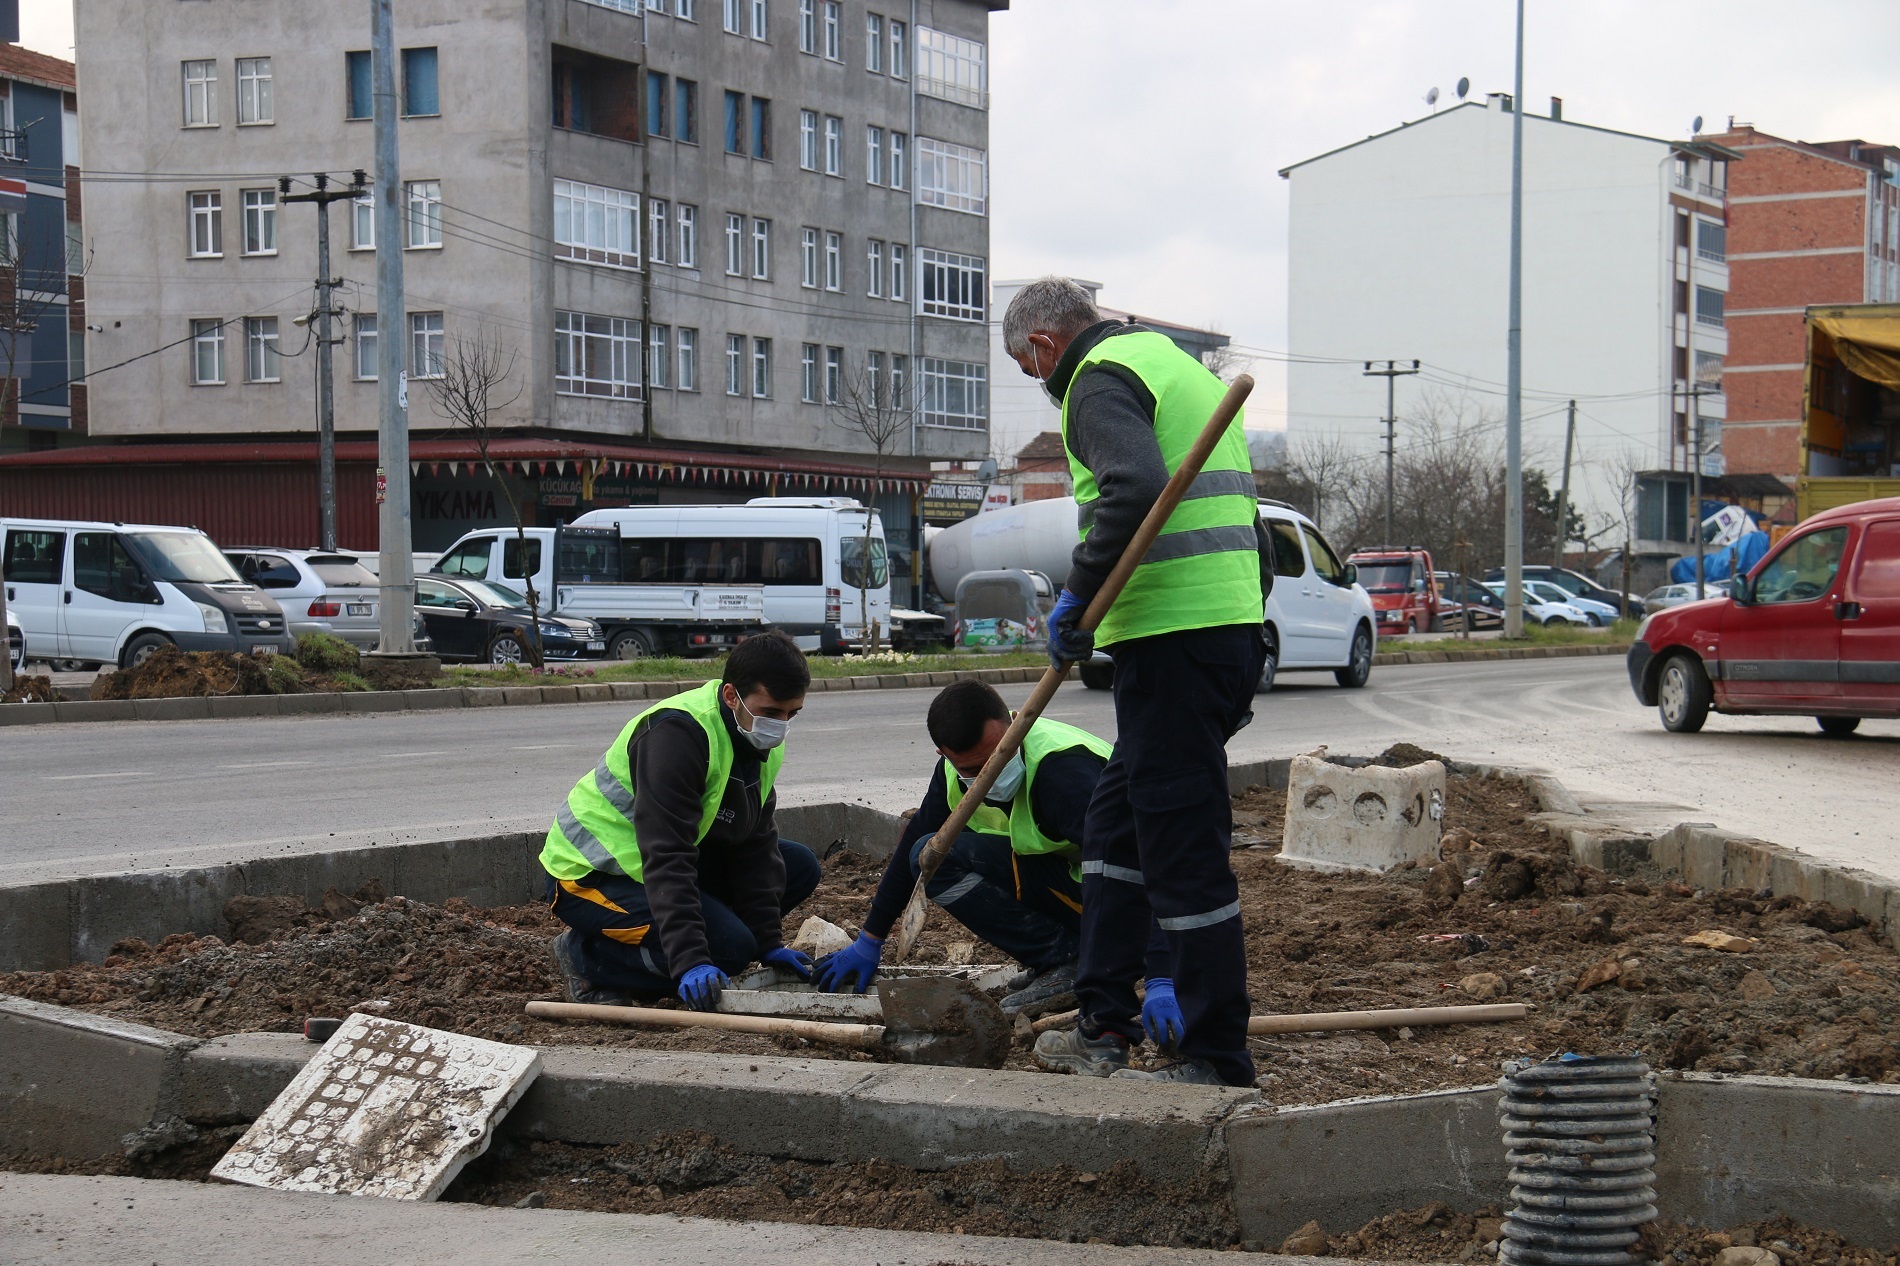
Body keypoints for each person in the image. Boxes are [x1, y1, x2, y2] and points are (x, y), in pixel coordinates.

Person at [1004, 276, 1269, 1087]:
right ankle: (1102, 1027)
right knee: (1116, 831)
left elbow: (1137, 488)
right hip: (1215, 633)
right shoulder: (1168, 362)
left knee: (1180, 849)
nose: (1038, 384)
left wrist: (1080, 590)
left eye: (1027, 369)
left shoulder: (1095, 379)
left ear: (1044, 345)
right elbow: (1242, 516)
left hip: (1175, 642)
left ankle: (1216, 1056)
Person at [813, 680, 1172, 1023]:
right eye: (973, 769)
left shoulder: (1063, 775)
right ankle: (1059, 956)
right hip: (1065, 884)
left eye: (1000, 757)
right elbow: (915, 843)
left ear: (1015, 724)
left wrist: (1162, 974)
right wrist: (870, 940)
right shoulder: (951, 775)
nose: (991, 775)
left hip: (1123, 901)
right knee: (931, 855)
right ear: (943, 754)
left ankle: (1082, 958)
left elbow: (1144, 865)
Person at [541, 630, 820, 1012]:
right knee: (731, 950)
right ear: (730, 695)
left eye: (792, 714)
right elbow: (667, 854)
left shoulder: (758, 737)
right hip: (590, 875)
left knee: (799, 866)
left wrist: (768, 942)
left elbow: (754, 844)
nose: (781, 725)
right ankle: (586, 957)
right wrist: (692, 958)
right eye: (772, 712)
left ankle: (707, 941)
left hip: (653, 864)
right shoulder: (675, 735)